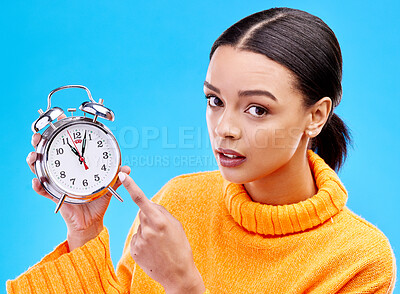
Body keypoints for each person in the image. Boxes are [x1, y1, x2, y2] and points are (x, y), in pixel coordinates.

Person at [7, 7, 396, 294]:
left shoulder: (359, 261)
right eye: (214, 100)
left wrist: (185, 285)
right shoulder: (180, 201)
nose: (224, 128)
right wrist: (85, 231)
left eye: (257, 109)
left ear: (316, 116)